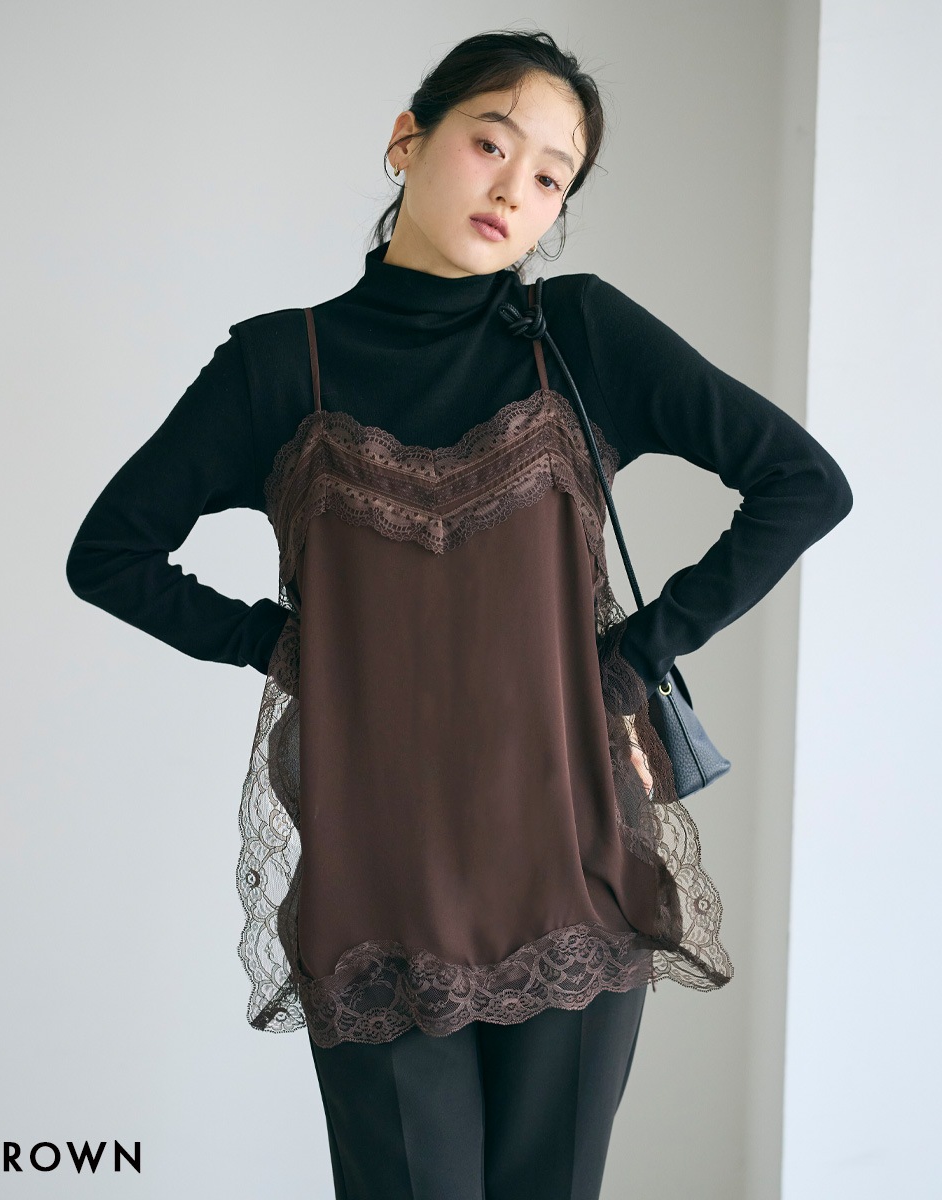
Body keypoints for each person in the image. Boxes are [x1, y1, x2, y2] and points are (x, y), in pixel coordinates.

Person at [65, 28, 853, 1200]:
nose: (514, 188)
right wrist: (283, 647)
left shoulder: (580, 337)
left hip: (571, 862)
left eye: (551, 176)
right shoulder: (281, 366)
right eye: (492, 143)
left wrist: (634, 657)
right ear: (408, 139)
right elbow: (110, 554)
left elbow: (803, 484)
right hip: (377, 882)